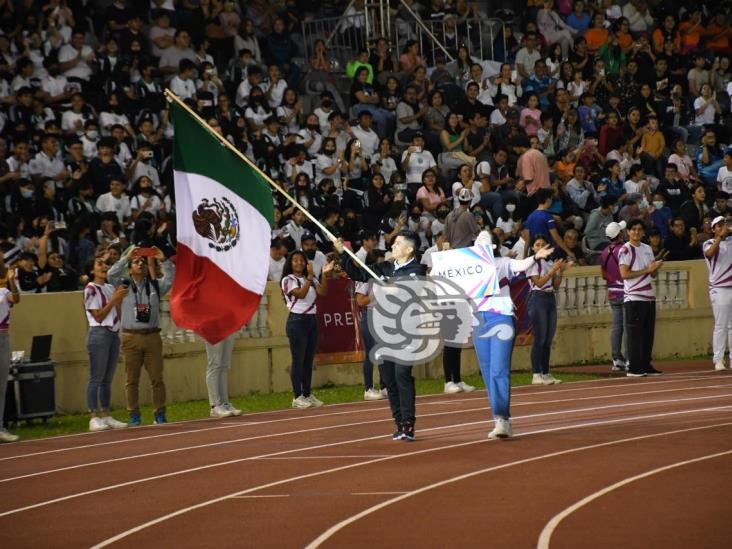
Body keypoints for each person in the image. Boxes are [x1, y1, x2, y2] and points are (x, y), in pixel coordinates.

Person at [337, 231, 425, 441]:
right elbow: (357, 274)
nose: (393, 246)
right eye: (393, 243)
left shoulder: (417, 270)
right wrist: (344, 254)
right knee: (388, 379)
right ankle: (399, 422)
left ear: (409, 249)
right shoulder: (384, 268)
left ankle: (409, 422)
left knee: (402, 374)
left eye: (398, 243)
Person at [472, 229, 554, 438]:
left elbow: (519, 265)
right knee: (488, 370)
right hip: (478, 321)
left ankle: (502, 419)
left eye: (485, 242)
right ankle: (497, 417)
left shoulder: (501, 263)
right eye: (478, 243)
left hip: (501, 318)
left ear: (493, 246)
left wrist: (535, 256)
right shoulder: (469, 268)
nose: (481, 245)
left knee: (499, 369)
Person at [108, 246, 174, 425]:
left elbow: (170, 279)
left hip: (152, 336)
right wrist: (126, 256)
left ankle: (160, 413)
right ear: (129, 268)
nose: (140, 264)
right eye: (136, 262)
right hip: (130, 337)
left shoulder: (154, 285)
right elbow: (110, 275)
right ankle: (134, 415)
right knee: (132, 379)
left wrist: (164, 260)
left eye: (143, 262)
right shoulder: (124, 284)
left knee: (157, 378)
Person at [281, 250, 335, 409]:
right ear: (290, 263)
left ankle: (307, 393)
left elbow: (323, 292)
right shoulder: (288, 279)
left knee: (308, 360)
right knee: (298, 360)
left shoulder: (309, 278)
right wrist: (310, 277)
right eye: (295, 260)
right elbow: (301, 294)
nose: (299, 263)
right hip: (297, 321)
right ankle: (297, 396)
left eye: (301, 260)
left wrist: (324, 274)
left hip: (311, 320)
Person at [83, 252, 128, 431]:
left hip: (112, 334)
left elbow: (116, 313)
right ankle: (93, 416)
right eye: (99, 263)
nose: (104, 266)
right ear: (91, 269)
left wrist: (117, 300)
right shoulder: (90, 289)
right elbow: (99, 316)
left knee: (107, 379)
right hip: (99, 333)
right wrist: (114, 300)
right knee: (96, 377)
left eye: (105, 263)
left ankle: (106, 414)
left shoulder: (109, 287)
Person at [441, 188, 478, 395]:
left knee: (458, 332)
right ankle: (450, 380)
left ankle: (456, 378)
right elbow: (477, 235)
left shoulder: (449, 215)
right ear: (470, 200)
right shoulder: (468, 215)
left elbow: (446, 238)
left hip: (452, 260)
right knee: (453, 333)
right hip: (462, 260)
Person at [618, 219, 664, 377]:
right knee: (635, 334)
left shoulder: (647, 248)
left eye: (639, 229)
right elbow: (624, 274)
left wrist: (655, 268)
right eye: (633, 229)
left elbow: (653, 273)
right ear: (628, 232)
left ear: (643, 232)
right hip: (634, 297)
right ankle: (634, 367)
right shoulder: (625, 250)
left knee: (648, 333)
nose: (636, 232)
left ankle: (645, 364)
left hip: (648, 296)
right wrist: (647, 270)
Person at [526, 234, 573, 385]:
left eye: (543, 244)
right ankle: (536, 373)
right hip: (537, 298)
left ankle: (545, 372)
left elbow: (556, 285)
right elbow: (538, 283)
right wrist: (553, 271)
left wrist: (560, 271)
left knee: (547, 339)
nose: (540, 247)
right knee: (539, 338)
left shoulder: (549, 262)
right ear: (533, 248)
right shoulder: (532, 264)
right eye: (537, 244)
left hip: (549, 298)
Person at [703, 217, 732, 371]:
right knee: (721, 325)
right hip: (719, 288)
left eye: (724, 225)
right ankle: (718, 359)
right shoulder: (708, 243)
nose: (723, 227)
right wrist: (720, 237)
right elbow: (710, 253)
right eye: (719, 226)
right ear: (713, 229)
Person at [600, 221, 629, 372]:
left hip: (612, 291)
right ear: (619, 234)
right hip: (625, 291)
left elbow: (604, 275)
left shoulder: (604, 252)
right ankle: (630, 358)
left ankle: (617, 359)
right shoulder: (624, 250)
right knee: (627, 326)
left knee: (616, 327)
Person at [355, 274, 385, 401]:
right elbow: (360, 301)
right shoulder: (364, 280)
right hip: (370, 315)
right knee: (371, 353)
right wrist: (376, 294)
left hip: (384, 315)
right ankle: (368, 388)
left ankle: (385, 386)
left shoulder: (384, 278)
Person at [0, 269, 20, 442]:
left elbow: (16, 299)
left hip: (3, 337)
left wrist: (12, 281)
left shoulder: (4, 291)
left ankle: (0, 427)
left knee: (2, 386)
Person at [205, 332, 243, 417]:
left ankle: (224, 404)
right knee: (215, 365)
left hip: (227, 326)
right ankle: (215, 406)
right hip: (212, 327)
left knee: (225, 365)